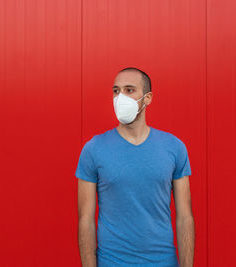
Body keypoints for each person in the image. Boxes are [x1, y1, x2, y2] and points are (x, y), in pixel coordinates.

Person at [75, 67, 195, 267]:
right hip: (111, 262)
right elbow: (85, 220)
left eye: (129, 90)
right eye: (116, 91)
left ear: (147, 98)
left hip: (163, 261)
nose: (120, 97)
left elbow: (185, 217)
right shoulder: (93, 149)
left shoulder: (174, 147)